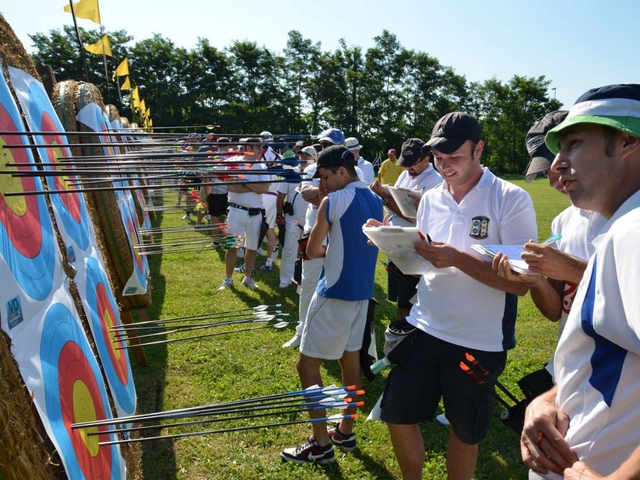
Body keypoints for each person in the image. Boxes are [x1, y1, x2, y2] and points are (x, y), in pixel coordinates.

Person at [376, 112, 537, 480]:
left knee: (464, 431)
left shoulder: (510, 198)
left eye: (454, 158)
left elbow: (520, 285)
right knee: (396, 414)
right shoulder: (430, 198)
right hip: (424, 326)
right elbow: (424, 261)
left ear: (478, 149)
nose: (445, 167)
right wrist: (393, 241)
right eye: (438, 159)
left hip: (476, 341)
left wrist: (458, 259)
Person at [518, 84, 640, 480]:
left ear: (628, 141)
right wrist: (549, 399)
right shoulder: (621, 229)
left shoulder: (633, 232)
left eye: (573, 144)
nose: (556, 164)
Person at [281, 145, 383, 464]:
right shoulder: (375, 198)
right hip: (362, 295)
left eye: (325, 176)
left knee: (306, 365)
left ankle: (322, 444)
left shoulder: (333, 200)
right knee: (349, 362)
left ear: (342, 171)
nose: (323, 185)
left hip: (334, 293)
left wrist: (329, 243)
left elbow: (313, 250)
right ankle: (345, 431)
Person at [493, 111, 606, 380]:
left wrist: (573, 269)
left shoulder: (629, 216)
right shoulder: (562, 222)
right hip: (570, 371)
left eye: (558, 166)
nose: (555, 180)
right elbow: (555, 312)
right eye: (547, 171)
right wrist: (536, 280)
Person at [369, 138, 443, 319]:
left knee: (410, 301)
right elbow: (398, 205)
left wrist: (385, 199)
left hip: (415, 250)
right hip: (398, 246)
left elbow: (414, 216)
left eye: (412, 164)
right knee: (401, 299)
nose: (408, 168)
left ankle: (406, 336)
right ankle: (403, 332)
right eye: (406, 163)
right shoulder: (405, 175)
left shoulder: (436, 182)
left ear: (427, 159)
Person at [218, 140, 268, 291]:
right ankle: (228, 278)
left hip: (255, 213)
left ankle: (248, 277)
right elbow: (231, 186)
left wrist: (244, 181)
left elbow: (264, 188)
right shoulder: (234, 163)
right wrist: (253, 186)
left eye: (260, 147)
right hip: (236, 211)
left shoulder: (262, 167)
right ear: (248, 148)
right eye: (258, 147)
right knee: (232, 246)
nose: (261, 150)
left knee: (251, 248)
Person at [276, 149, 312, 289]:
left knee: (309, 252)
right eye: (301, 155)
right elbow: (280, 196)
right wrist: (279, 216)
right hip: (293, 219)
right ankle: (285, 279)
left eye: (306, 156)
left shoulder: (316, 175)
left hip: (310, 221)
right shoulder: (291, 174)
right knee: (289, 250)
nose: (303, 158)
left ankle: (304, 280)